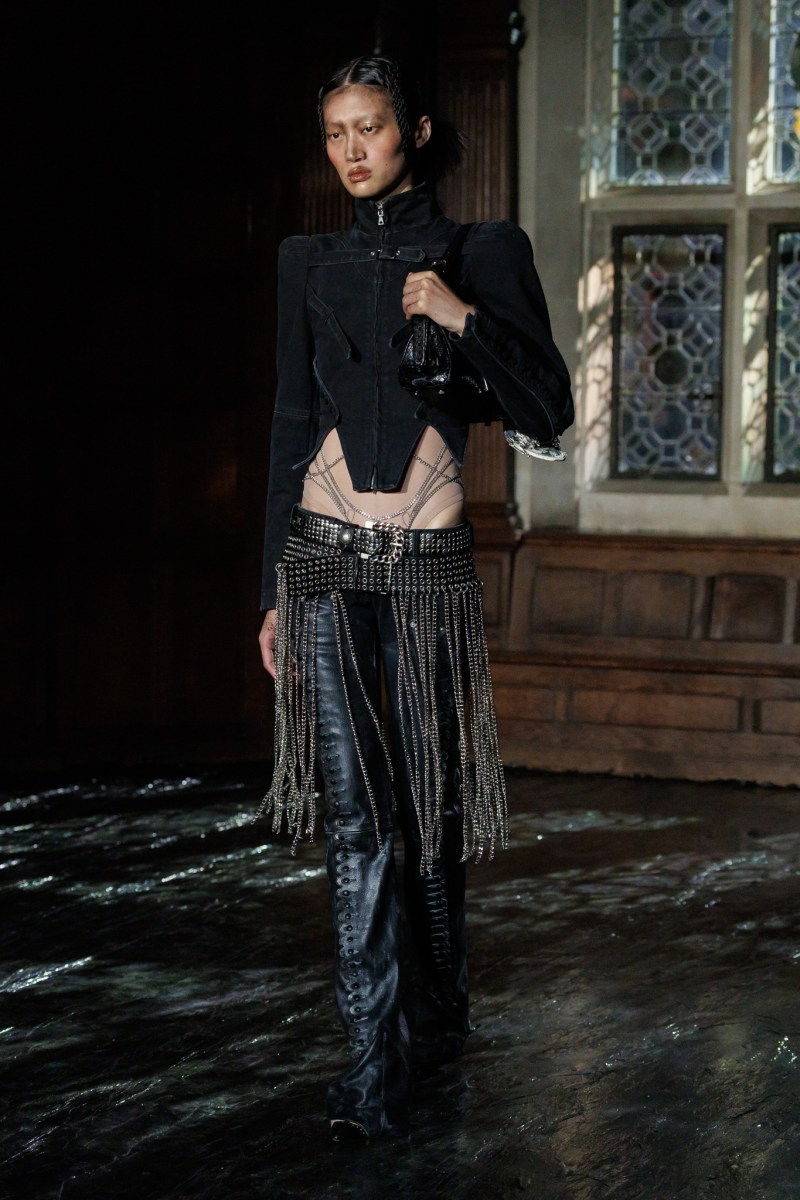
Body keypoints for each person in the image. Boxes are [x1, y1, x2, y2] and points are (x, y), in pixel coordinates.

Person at [257, 54, 573, 1140]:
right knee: (357, 819)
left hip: (428, 572)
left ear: (417, 132)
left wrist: (459, 314)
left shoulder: (484, 250)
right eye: (335, 131)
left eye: (370, 128)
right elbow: (290, 424)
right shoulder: (306, 259)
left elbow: (547, 406)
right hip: (322, 561)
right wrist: (269, 591)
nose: (351, 150)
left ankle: (436, 1020)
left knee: (428, 809)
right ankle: (372, 1061)